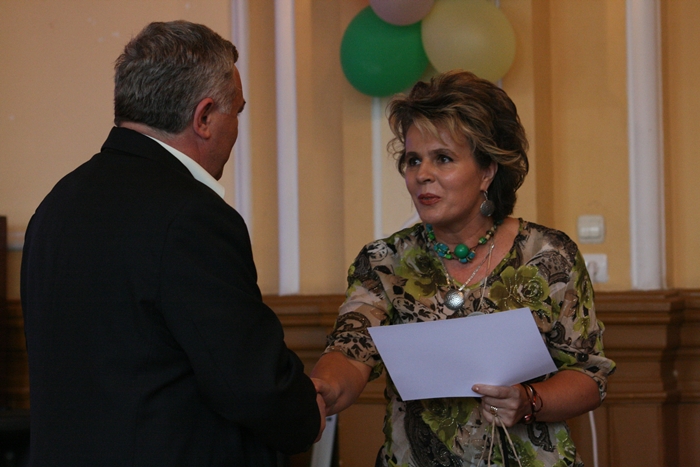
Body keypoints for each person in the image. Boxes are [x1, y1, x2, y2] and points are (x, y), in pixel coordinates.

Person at [21, 20, 324, 466]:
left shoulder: (57, 204)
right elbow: (252, 386)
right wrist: (307, 415)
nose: (236, 127)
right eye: (237, 112)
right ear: (204, 118)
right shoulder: (192, 216)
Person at [311, 70, 616, 466]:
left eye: (443, 158)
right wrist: (321, 388)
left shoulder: (548, 256)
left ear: (488, 170)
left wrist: (529, 400)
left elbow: (589, 376)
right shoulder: (385, 261)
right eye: (413, 160)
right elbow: (350, 351)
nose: (422, 174)